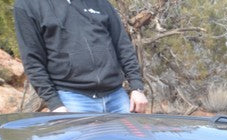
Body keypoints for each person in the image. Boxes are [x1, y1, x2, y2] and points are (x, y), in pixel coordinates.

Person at [13, 0, 148, 114]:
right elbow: (32, 61)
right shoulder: (27, 5)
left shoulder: (100, 3)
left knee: (130, 138)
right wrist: (55, 104)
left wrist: (137, 87)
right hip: (72, 98)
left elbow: (122, 45)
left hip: (116, 96)